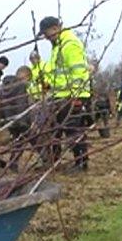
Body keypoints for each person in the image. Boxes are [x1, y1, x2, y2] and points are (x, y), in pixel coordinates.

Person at [39, 16, 92, 172]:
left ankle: (81, 163)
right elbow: (58, 74)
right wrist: (48, 85)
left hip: (71, 96)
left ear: (55, 28)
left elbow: (79, 72)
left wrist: (75, 96)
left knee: (73, 130)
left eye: (46, 33)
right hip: (61, 96)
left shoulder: (70, 45)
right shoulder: (57, 46)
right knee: (60, 129)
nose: (46, 37)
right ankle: (60, 161)